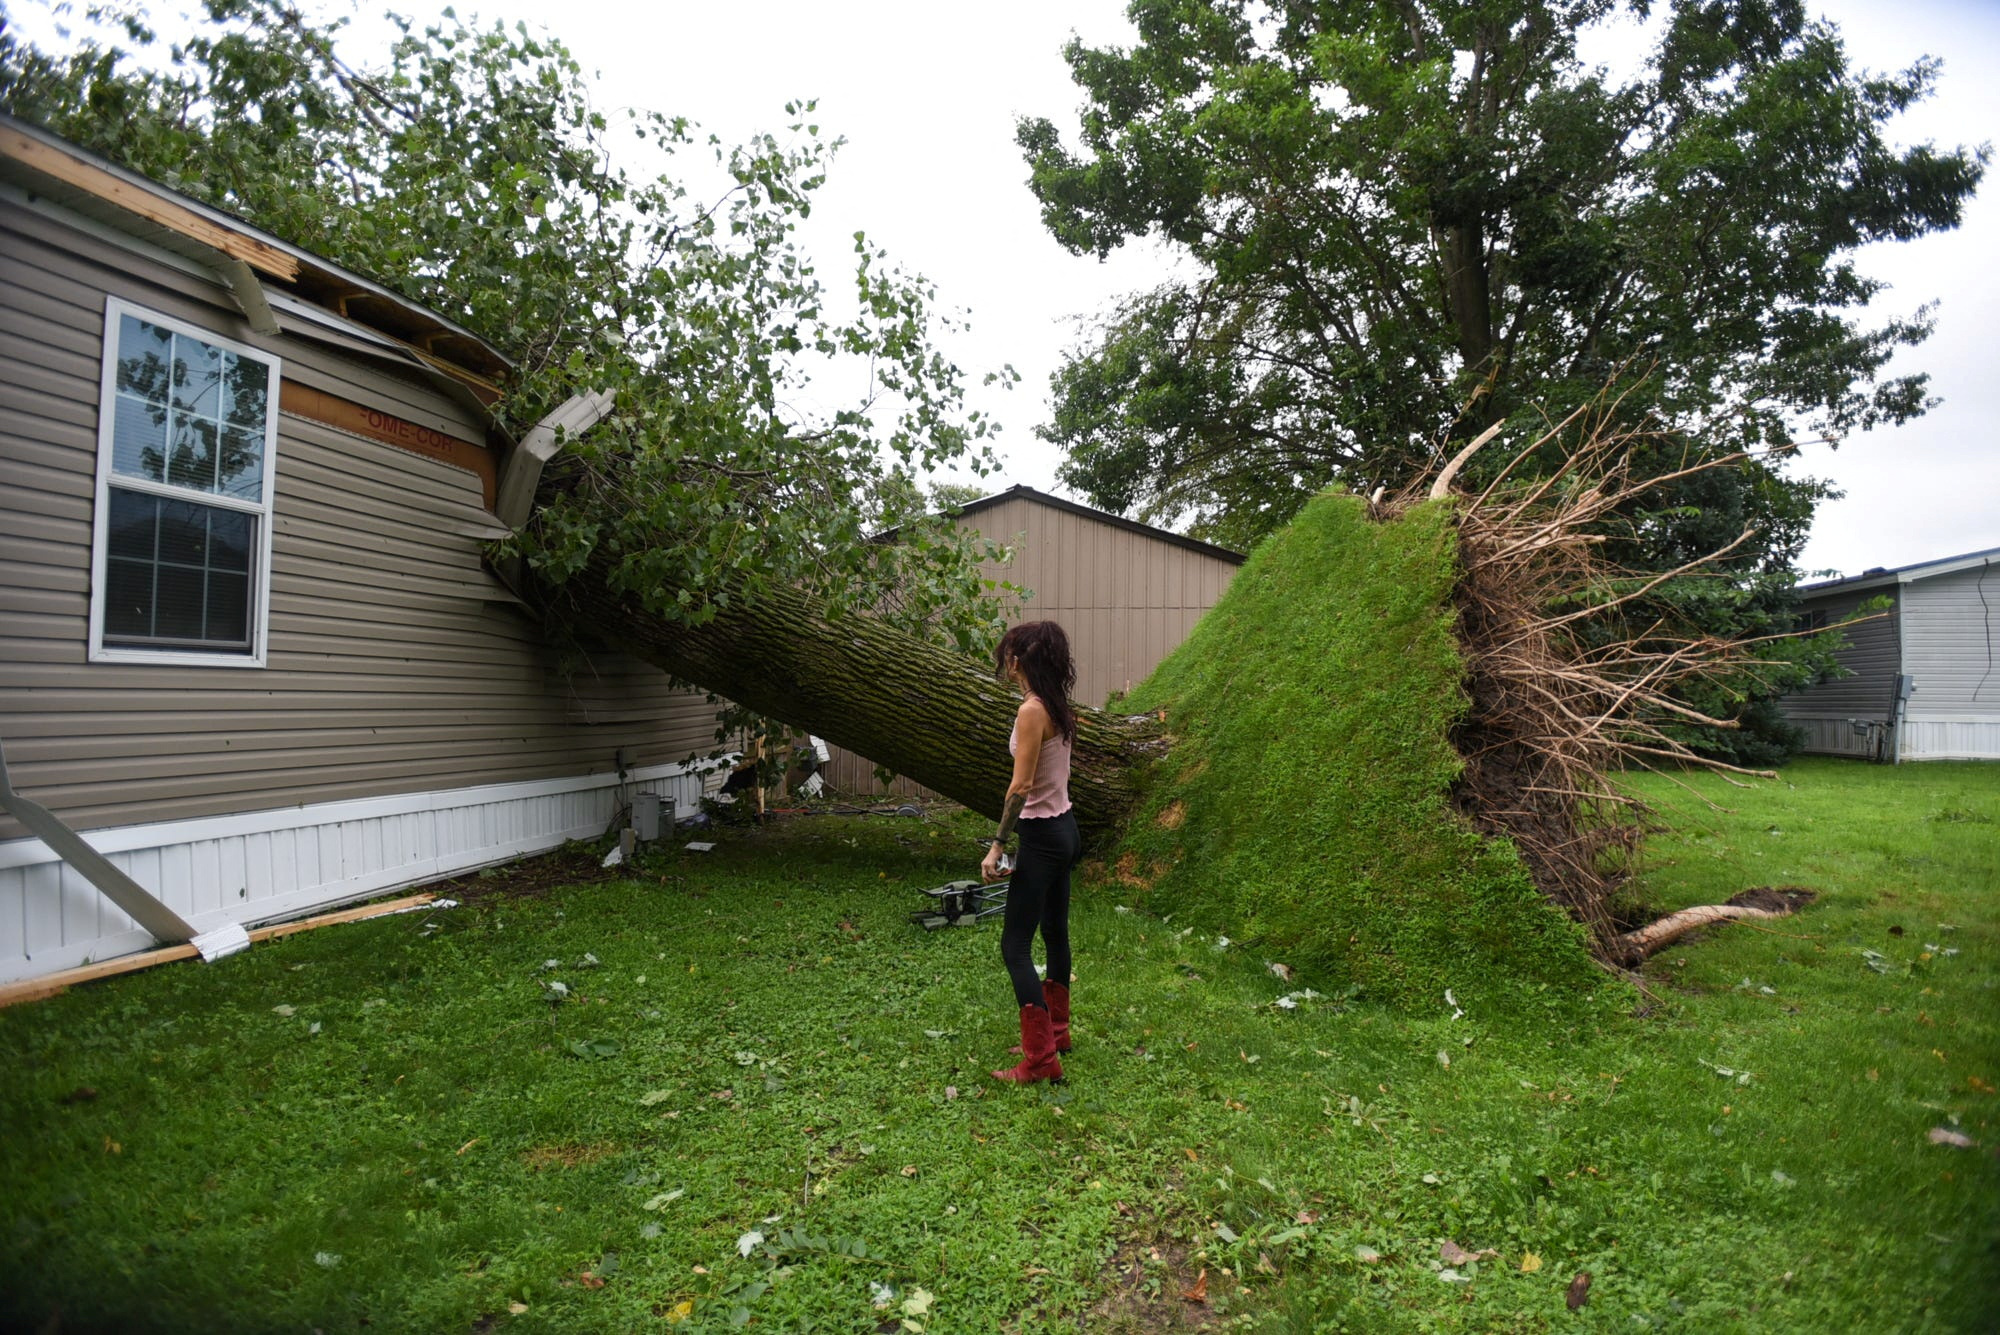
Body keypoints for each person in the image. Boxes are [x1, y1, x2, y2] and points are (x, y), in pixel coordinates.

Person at [983, 620, 1081, 1084]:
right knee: (1055, 932)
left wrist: (998, 844)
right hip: (1066, 829)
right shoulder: (1059, 705)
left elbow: (1021, 785)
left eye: (1008, 653)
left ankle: (1040, 1060)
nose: (1006, 661)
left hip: (1040, 836)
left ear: (1019, 659)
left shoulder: (1031, 711)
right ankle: (1056, 1033)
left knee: (1015, 945)